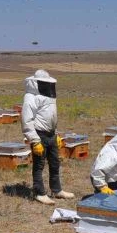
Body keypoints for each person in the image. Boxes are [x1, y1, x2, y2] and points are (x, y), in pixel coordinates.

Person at [21, 69, 74, 205]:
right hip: (39, 135)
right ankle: (39, 193)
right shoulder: (30, 97)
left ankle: (57, 190)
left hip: (51, 134)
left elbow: (50, 117)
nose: (47, 85)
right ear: (37, 83)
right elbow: (27, 120)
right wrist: (34, 140)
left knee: (55, 163)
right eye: (44, 83)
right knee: (39, 165)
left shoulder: (49, 96)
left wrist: (56, 133)